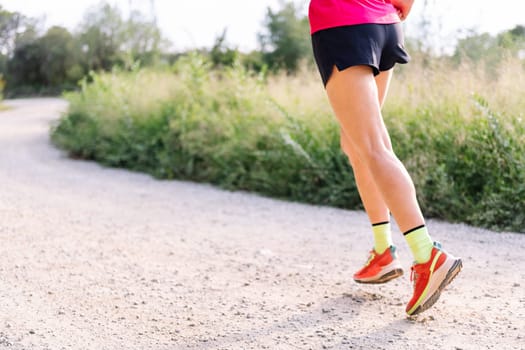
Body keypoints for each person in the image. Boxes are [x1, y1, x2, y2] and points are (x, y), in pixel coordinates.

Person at [308, 0, 462, 315]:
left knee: (373, 146)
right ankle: (382, 251)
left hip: (341, 21)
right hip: (385, 23)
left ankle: (428, 255)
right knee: (357, 143)